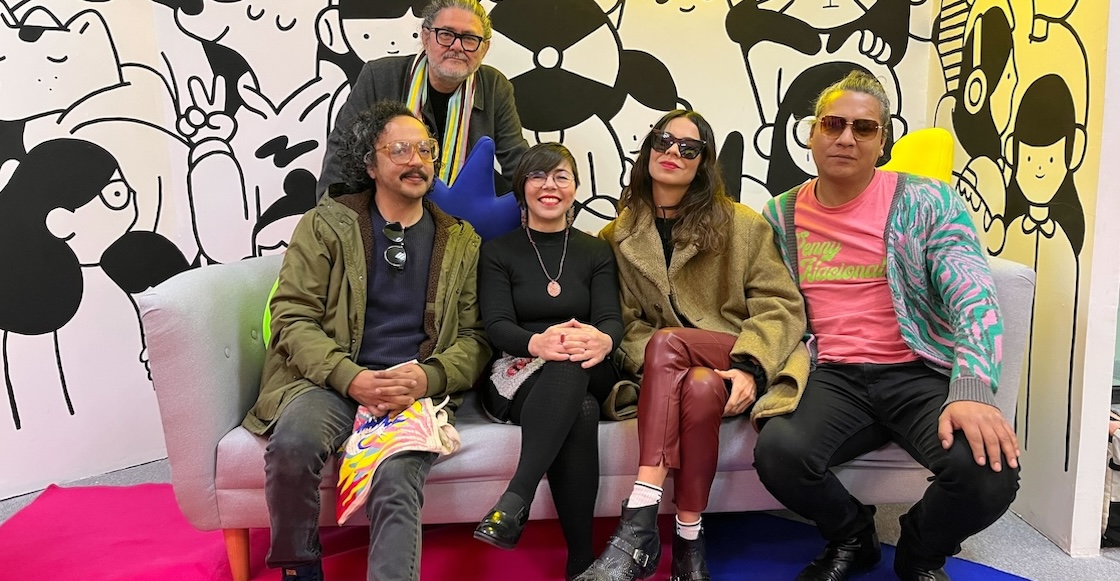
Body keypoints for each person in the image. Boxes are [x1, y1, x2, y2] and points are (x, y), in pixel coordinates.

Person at [754, 70, 1021, 581]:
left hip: (917, 369)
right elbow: (770, 306)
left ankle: (920, 552)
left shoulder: (929, 201)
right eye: (833, 124)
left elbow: (972, 295)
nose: (846, 137)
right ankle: (853, 537)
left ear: (883, 142)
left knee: (988, 472)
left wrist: (971, 387)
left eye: (864, 127)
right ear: (811, 134)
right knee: (778, 454)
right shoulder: (779, 215)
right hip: (830, 375)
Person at [243, 99, 491, 581]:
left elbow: (474, 337)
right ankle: (300, 571)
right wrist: (350, 377)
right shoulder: (326, 224)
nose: (416, 161)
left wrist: (427, 377)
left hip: (410, 391)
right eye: (400, 150)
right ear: (370, 164)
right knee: (294, 445)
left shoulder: (460, 240)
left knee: (396, 478)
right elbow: (292, 316)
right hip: (330, 380)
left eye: (425, 149)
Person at [576, 110, 810, 581]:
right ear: (648, 149)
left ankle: (639, 519)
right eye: (663, 140)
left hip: (733, 350)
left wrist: (750, 366)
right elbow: (623, 322)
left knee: (670, 343)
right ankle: (688, 542)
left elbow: (782, 306)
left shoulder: (741, 225)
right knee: (698, 385)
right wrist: (665, 368)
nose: (673, 152)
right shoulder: (617, 237)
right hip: (678, 370)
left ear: (703, 163)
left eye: (689, 147)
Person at [470, 143, 624, 579]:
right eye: (538, 176)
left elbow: (610, 319)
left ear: (575, 187)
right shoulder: (498, 252)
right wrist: (538, 342)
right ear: (522, 187)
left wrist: (601, 340)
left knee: (571, 355)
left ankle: (514, 499)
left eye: (561, 176)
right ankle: (581, 563)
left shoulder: (596, 251)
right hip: (520, 368)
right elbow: (497, 325)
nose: (549, 186)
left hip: (588, 362)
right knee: (583, 410)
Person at [318, 0, 529, 197]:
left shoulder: (494, 86)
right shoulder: (379, 77)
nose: (457, 46)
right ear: (426, 38)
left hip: (461, 218)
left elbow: (516, 160)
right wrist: (333, 215)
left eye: (469, 38)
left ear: (484, 48)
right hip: (383, 211)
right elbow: (343, 153)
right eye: (446, 34)